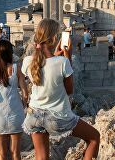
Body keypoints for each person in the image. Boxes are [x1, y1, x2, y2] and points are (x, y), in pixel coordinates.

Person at [22, 19, 100, 160]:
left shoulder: (28, 61)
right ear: (54, 39)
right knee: (94, 138)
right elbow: (69, 90)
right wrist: (67, 56)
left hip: (33, 115)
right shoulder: (62, 62)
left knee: (41, 157)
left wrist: (56, 57)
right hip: (57, 117)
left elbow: (44, 66)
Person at [0, 40, 29, 160]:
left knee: (1, 155)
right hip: (16, 113)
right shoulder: (16, 68)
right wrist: (24, 105)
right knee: (16, 153)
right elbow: (25, 92)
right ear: (10, 53)